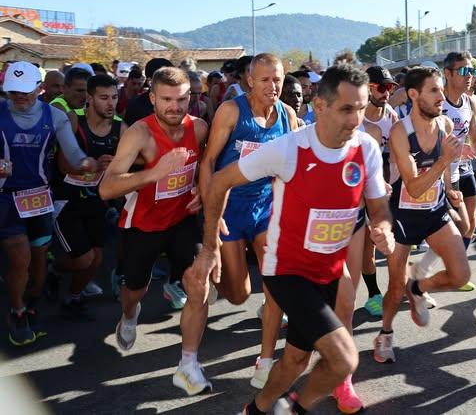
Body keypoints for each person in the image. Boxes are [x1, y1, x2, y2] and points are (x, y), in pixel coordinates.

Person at [189, 63, 394, 415]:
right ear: (320, 106)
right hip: (288, 271)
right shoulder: (288, 149)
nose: (355, 120)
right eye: (346, 109)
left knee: (296, 360)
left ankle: (256, 410)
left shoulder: (367, 149)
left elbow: (379, 208)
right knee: (344, 359)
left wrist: (384, 228)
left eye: (360, 109)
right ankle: (296, 410)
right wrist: (210, 247)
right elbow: (221, 180)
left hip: (329, 272)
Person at [177, 54, 297, 395]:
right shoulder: (232, 111)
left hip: (265, 208)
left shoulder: (287, 116)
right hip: (229, 208)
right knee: (240, 293)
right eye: (265, 80)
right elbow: (209, 162)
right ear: (250, 81)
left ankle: (265, 360)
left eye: (277, 79)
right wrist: (209, 212)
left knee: (274, 283)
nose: (272, 86)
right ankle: (219, 287)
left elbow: (296, 162)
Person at [99, 67, 208, 354]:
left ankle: (189, 358)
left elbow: (205, 166)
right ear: (152, 99)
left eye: (181, 99)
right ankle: (129, 314)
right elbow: (106, 188)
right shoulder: (139, 134)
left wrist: (200, 187)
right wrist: (153, 173)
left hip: (183, 218)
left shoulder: (198, 128)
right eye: (166, 99)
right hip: (144, 223)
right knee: (136, 290)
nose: (175, 107)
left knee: (198, 281)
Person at [373, 66, 470, 365]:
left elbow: (450, 163)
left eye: (441, 89)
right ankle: (385, 334)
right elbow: (414, 188)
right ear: (414, 95)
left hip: (434, 211)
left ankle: (418, 287)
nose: (441, 96)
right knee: (394, 289)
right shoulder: (400, 132)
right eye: (434, 90)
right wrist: (442, 162)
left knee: (461, 276)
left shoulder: (445, 124)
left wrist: (451, 189)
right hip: (402, 215)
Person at [0, 61, 98, 345]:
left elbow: (73, 153)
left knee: (39, 262)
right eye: (13, 91)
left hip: (39, 198)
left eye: (25, 91)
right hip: (6, 198)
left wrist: (85, 162)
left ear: (38, 89)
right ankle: (17, 311)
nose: (19, 96)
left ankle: (31, 302)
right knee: (20, 257)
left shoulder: (55, 116)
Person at [414, 52, 476, 293]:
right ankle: (426, 274)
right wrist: (452, 150)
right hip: (437, 175)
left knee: (469, 224)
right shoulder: (436, 102)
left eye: (472, 71)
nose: (470, 76)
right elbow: (422, 142)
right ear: (448, 74)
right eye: (464, 71)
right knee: (452, 228)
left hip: (460, 170)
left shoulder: (471, 102)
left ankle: (453, 271)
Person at [49, 74, 126, 320]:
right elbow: (63, 166)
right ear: (89, 99)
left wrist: (115, 167)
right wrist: (92, 165)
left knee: (96, 259)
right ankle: (53, 269)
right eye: (103, 98)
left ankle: (72, 298)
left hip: (95, 201)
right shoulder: (74, 120)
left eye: (114, 97)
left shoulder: (120, 127)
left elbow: (126, 167)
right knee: (84, 260)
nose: (110, 103)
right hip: (66, 200)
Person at [359, 66, 399, 316]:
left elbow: (395, 155)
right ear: (368, 88)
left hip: (379, 187)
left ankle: (385, 291)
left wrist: (394, 183)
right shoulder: (356, 115)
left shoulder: (390, 115)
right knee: (364, 245)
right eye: (382, 87)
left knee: (386, 241)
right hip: (352, 186)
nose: (387, 93)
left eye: (390, 87)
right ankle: (372, 293)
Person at [123, 58, 174, 126]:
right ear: (150, 81)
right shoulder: (136, 105)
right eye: (165, 78)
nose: (171, 81)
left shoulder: (180, 102)